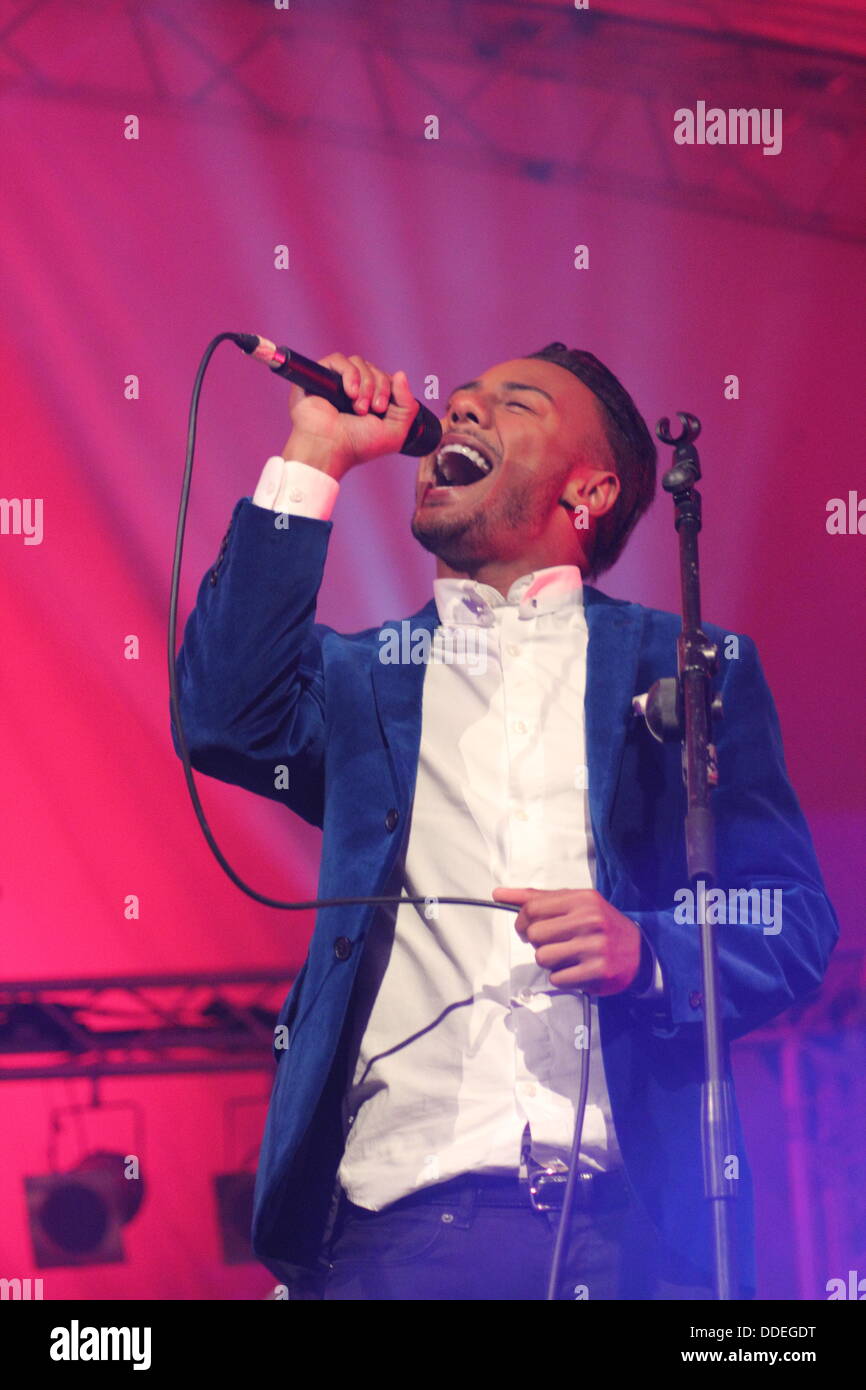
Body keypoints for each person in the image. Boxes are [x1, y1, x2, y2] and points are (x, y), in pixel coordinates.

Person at [172, 342, 838, 1300]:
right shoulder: (369, 678)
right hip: (395, 1236)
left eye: (513, 404)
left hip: (632, 1238)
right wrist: (317, 455)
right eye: (464, 399)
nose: (465, 411)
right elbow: (224, 715)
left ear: (592, 491)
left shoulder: (690, 665)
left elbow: (791, 922)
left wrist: (647, 952)